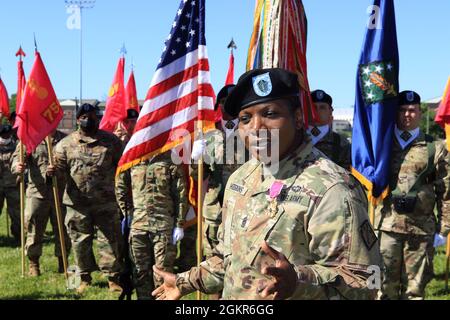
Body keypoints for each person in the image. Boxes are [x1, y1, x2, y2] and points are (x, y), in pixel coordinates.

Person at [152, 68, 381, 300]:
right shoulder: (241, 178)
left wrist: (298, 282)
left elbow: (363, 281)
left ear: (299, 118)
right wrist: (186, 282)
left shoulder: (332, 189)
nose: (256, 128)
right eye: (245, 118)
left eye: (270, 114)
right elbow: (231, 259)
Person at [374, 91, 450, 300]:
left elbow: (446, 191)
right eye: (402, 110)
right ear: (396, 113)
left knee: (415, 291)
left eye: (412, 110)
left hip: (421, 229)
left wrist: (443, 230)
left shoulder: (435, 147)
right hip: (387, 227)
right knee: (384, 288)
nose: (407, 114)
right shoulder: (382, 146)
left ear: (419, 112)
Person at [52, 103, 124, 294]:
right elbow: (58, 173)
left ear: (98, 118)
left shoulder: (112, 141)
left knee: (109, 241)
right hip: (77, 204)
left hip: (106, 202)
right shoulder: (64, 145)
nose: (88, 119)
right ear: (77, 119)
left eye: (92, 115)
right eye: (84, 116)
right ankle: (83, 277)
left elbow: (123, 167)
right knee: (79, 242)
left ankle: (112, 278)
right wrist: (51, 173)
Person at [116, 151, 188, 300]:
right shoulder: (133, 157)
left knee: (162, 273)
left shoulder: (170, 160)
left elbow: (180, 194)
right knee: (140, 273)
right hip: (138, 226)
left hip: (163, 226)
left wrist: (179, 223)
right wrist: (128, 213)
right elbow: (120, 187)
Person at [11, 129, 71, 276]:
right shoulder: (30, 138)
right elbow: (16, 159)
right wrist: (17, 167)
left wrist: (59, 168)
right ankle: (33, 263)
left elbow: (72, 162)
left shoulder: (66, 139)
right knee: (34, 229)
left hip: (60, 193)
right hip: (37, 193)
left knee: (63, 230)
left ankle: (63, 262)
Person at [306, 90, 351, 170]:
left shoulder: (342, 143)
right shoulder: (295, 138)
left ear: (330, 112)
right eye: (313, 107)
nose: (317, 111)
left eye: (322, 107)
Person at [0, 124, 20, 244]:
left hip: (13, 184)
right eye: (3, 135)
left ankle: (18, 237)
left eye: (7, 135)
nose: (5, 137)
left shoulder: (16, 146)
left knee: (16, 213)